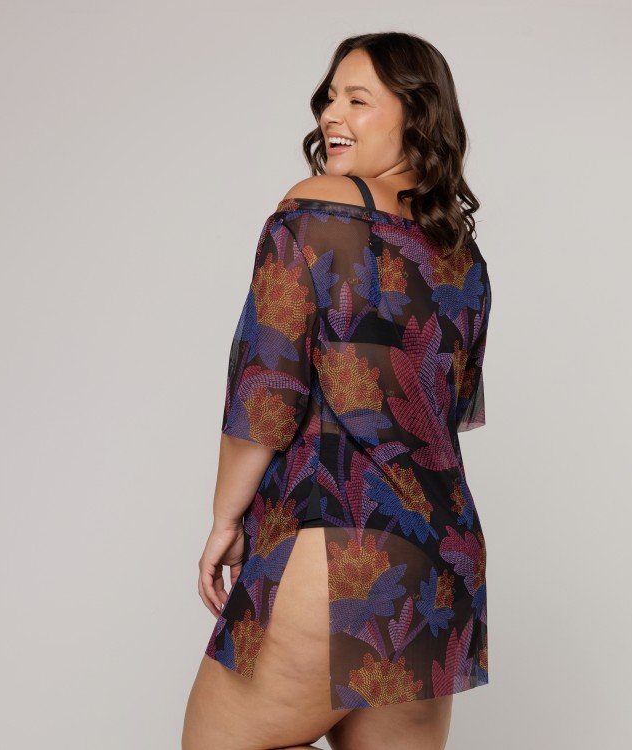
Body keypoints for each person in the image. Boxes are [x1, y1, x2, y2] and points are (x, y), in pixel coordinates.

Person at [182, 31, 491, 750]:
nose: (331, 115)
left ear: (417, 114)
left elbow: (267, 387)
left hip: (334, 541)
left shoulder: (319, 208)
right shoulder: (462, 253)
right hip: (441, 561)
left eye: (358, 99)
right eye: (329, 98)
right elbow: (445, 409)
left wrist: (225, 519)